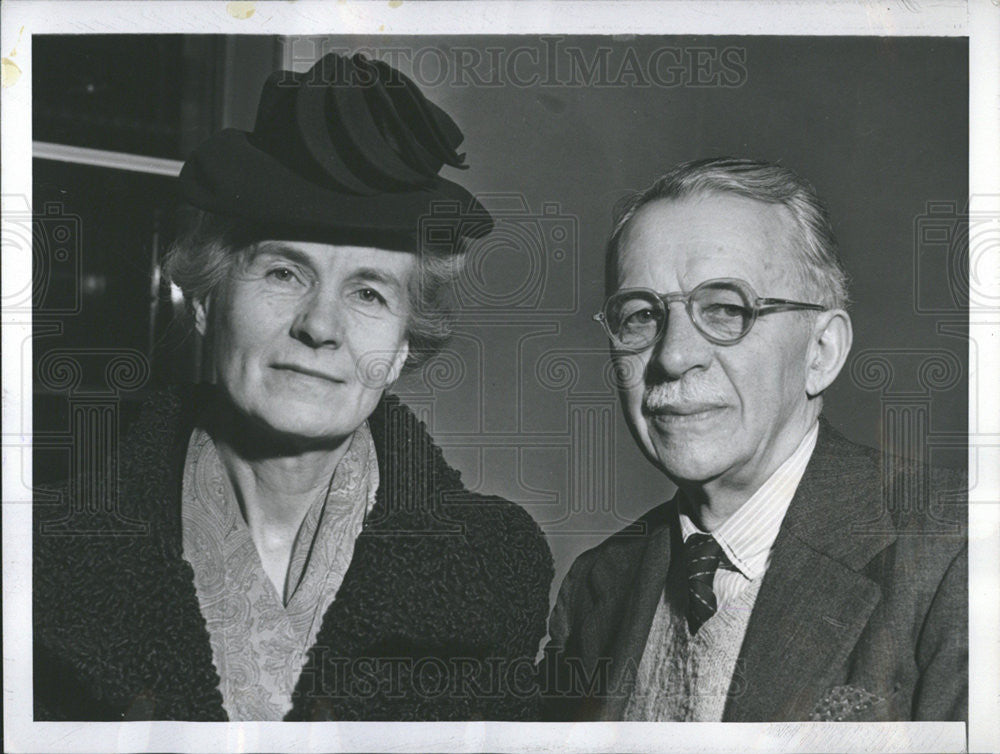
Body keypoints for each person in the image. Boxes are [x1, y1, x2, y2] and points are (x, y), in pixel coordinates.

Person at [33, 52, 552, 721]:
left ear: (402, 346)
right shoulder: (44, 552)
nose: (319, 326)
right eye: (283, 272)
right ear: (205, 299)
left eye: (369, 291)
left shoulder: (495, 565)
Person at [542, 157, 966, 722]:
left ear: (821, 353)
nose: (672, 356)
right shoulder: (598, 585)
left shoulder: (956, 552)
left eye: (724, 309)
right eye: (641, 315)